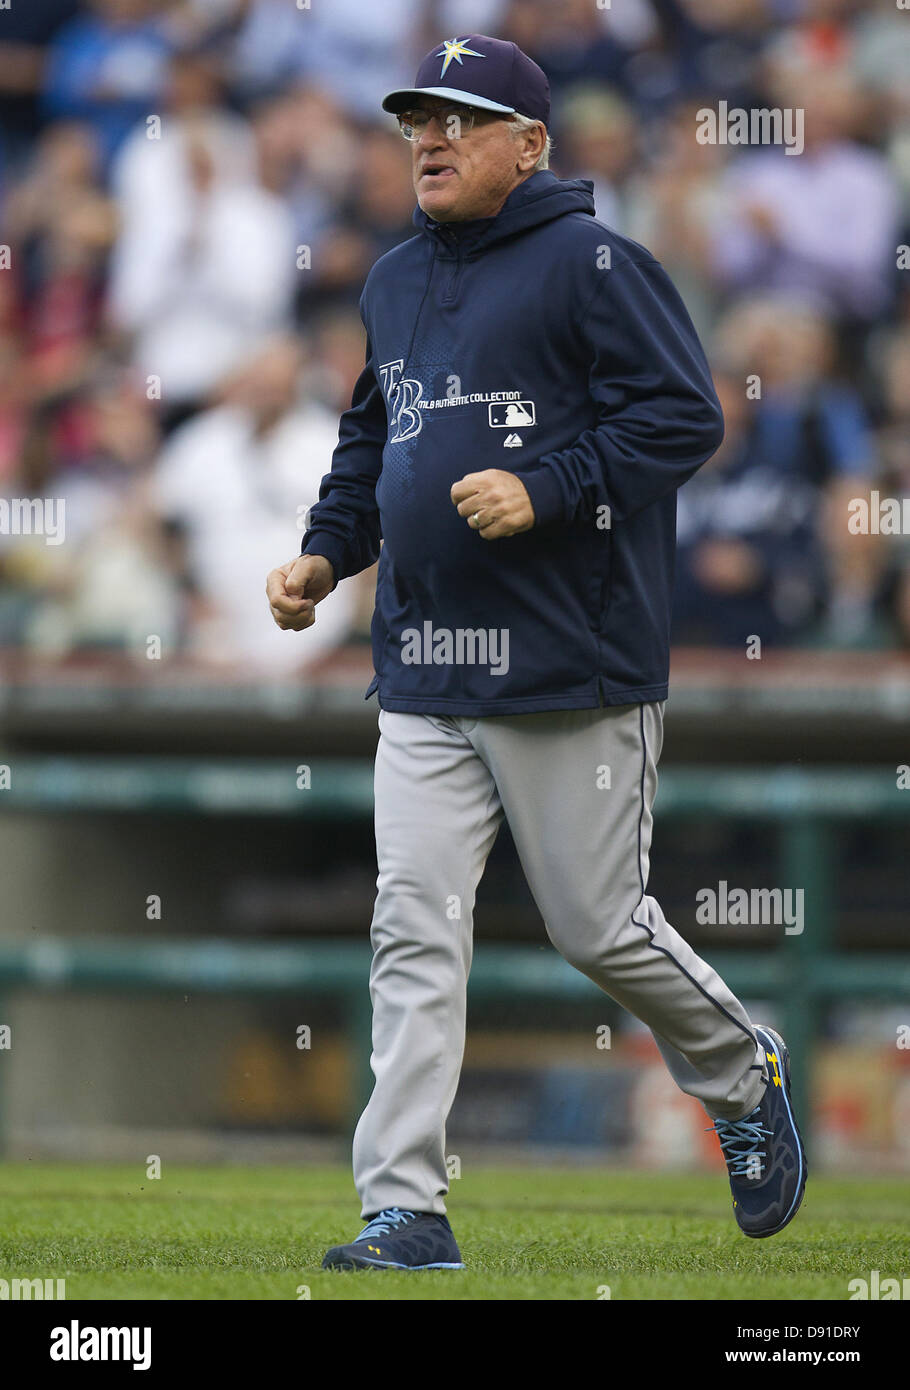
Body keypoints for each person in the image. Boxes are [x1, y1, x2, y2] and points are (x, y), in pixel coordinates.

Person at [266, 33, 807, 1271]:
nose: (430, 139)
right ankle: (404, 1208)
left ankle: (739, 1069)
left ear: (530, 145)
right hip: (423, 665)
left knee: (595, 926)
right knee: (413, 924)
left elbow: (684, 416)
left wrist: (551, 485)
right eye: (416, 120)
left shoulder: (597, 262)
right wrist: (323, 552)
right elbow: (373, 440)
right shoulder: (395, 277)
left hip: (570, 660)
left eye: (460, 119)